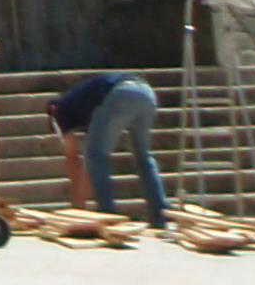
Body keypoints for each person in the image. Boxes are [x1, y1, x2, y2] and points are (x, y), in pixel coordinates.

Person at [51, 71, 168, 227]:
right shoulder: (83, 104)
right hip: (146, 92)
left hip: (120, 93)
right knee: (143, 156)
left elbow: (72, 157)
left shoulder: (59, 111)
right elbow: (88, 167)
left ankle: (107, 214)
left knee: (95, 154)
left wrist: (78, 204)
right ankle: (160, 216)